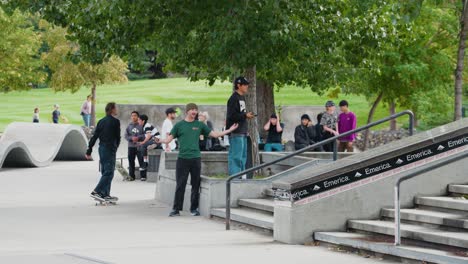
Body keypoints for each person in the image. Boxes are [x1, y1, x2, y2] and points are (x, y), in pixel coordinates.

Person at [157, 103, 239, 217]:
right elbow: (168, 140)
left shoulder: (199, 125)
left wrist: (229, 130)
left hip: (195, 158)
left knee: (196, 184)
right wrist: (159, 141)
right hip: (182, 159)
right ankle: (176, 209)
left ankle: (194, 208)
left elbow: (214, 134)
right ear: (187, 111)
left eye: (196, 109)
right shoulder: (179, 125)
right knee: (180, 184)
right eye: (192, 109)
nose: (194, 112)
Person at [85, 102, 121, 202]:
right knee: (109, 172)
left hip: (102, 149)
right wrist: (115, 147)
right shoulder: (115, 122)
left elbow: (94, 136)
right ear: (112, 109)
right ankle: (97, 191)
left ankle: (105, 194)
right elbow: (118, 137)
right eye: (116, 108)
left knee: (105, 171)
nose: (117, 110)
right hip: (110, 149)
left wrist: (89, 150)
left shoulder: (101, 121)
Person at [226, 76, 255, 175]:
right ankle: (235, 179)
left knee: (243, 157)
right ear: (238, 85)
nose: (247, 86)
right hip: (235, 132)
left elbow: (241, 114)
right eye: (245, 85)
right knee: (236, 157)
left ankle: (242, 177)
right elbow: (231, 116)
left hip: (242, 131)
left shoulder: (242, 98)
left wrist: (246, 115)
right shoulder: (233, 98)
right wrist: (245, 115)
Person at [136, 114, 160, 181]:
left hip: (156, 139)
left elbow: (149, 136)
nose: (138, 121)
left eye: (139, 120)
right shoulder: (145, 126)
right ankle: (152, 146)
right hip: (153, 140)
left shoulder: (147, 126)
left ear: (143, 121)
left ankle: (145, 163)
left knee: (143, 145)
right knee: (143, 146)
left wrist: (143, 142)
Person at [125, 111, 145, 181]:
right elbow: (126, 136)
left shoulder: (141, 125)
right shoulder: (129, 126)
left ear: (138, 117)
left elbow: (144, 135)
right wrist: (131, 138)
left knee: (141, 161)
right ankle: (131, 176)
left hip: (139, 146)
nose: (133, 117)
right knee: (131, 161)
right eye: (132, 115)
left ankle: (143, 176)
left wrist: (138, 138)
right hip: (131, 147)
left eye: (135, 115)